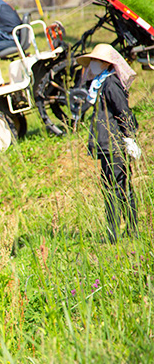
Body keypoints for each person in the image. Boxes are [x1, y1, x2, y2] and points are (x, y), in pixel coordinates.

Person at [77, 43, 141, 243]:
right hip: (106, 145)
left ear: (106, 63)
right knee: (119, 187)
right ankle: (129, 231)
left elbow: (124, 111)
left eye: (96, 61)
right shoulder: (99, 83)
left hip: (114, 145)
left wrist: (130, 137)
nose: (93, 65)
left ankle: (116, 235)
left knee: (115, 189)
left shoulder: (111, 84)